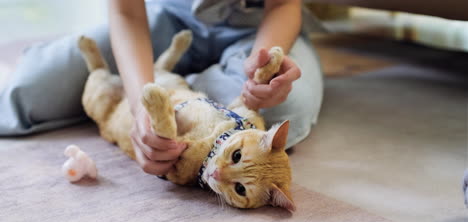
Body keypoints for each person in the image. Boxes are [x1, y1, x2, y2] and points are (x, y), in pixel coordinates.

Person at [0, 0, 324, 176]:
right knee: (29, 92)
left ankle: (179, 84)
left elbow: (283, 4)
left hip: (253, 26)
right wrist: (139, 105)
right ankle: (184, 85)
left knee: (282, 112)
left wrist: (262, 69)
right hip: (164, 16)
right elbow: (127, 12)